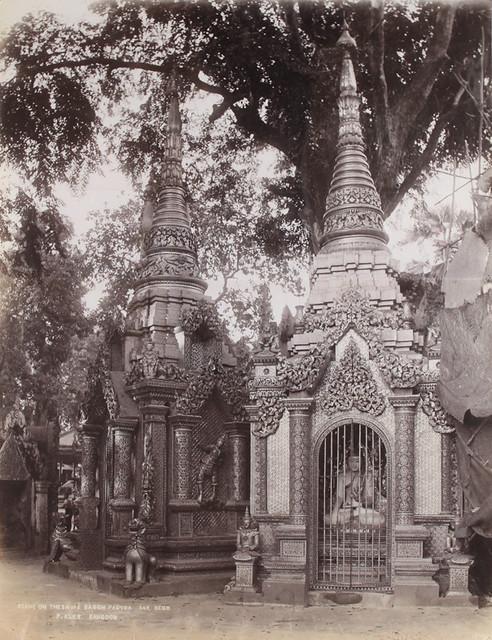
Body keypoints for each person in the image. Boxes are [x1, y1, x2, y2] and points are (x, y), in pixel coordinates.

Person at [328, 455, 385, 527]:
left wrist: (361, 499)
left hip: (362, 510)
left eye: (357, 461)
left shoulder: (366, 475)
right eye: (351, 461)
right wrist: (335, 512)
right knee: (328, 518)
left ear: (362, 462)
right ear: (347, 462)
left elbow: (370, 499)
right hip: (346, 511)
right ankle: (355, 521)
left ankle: (354, 521)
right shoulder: (342, 476)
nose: (354, 464)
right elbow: (340, 497)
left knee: (380, 519)